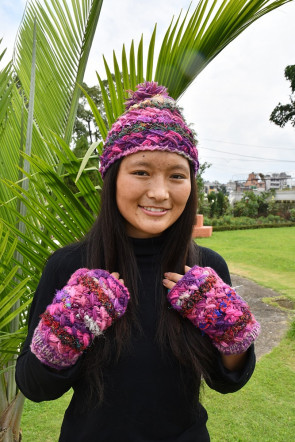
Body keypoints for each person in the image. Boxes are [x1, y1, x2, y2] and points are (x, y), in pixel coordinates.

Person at [16, 81, 260, 442]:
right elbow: (35, 386)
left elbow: (227, 381)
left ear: (191, 185)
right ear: (113, 178)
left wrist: (232, 331)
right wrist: (68, 325)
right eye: (141, 171)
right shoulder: (69, 266)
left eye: (177, 175)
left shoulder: (205, 271)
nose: (160, 192)